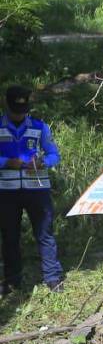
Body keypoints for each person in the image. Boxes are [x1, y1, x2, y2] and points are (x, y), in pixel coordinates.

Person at [1, 86, 66, 295]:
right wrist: (5, 162)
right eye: (16, 110)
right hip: (6, 191)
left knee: (45, 233)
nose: (20, 114)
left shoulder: (40, 127)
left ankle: (53, 277)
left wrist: (42, 162)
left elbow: (54, 155)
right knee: (10, 236)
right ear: (7, 105)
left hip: (37, 189)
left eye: (23, 110)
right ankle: (12, 281)